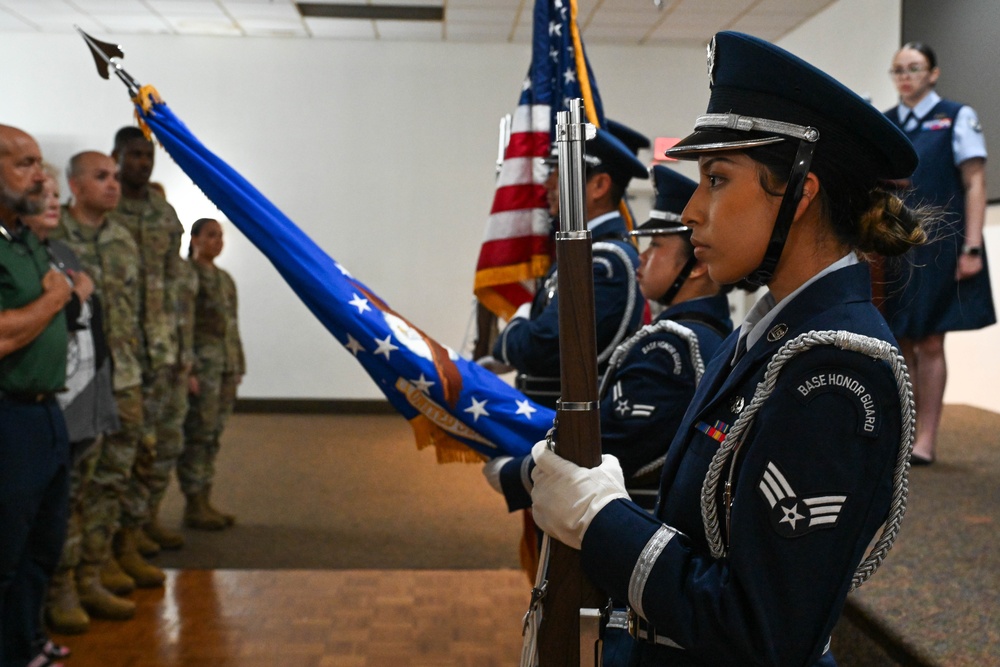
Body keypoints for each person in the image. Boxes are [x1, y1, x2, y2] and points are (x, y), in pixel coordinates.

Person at [528, 31, 927, 665]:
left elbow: (760, 628)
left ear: (801, 193)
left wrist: (602, 519)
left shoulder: (837, 370)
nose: (689, 211)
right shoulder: (771, 337)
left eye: (715, 178)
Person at [484, 165, 733, 511]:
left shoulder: (670, 346)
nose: (641, 256)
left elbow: (618, 443)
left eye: (656, 245)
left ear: (696, 265)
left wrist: (520, 474)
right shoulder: (703, 330)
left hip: (634, 514)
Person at [881, 42, 994, 465]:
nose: (905, 76)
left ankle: (926, 438)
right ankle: (903, 433)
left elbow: (975, 183)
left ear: (933, 73)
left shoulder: (955, 116)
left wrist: (972, 246)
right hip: (893, 247)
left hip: (941, 246)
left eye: (913, 68)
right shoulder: (887, 122)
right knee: (899, 341)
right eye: (897, 70)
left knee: (929, 340)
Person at [23, 165, 119, 639]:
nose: (53, 202)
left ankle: (80, 581)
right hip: (40, 400)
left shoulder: (61, 251)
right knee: (43, 510)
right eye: (42, 193)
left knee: (78, 497)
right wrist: (75, 296)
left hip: (84, 392)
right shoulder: (23, 256)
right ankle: (51, 597)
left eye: (57, 194)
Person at [489, 129, 648, 408]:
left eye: (559, 173)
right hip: (546, 412)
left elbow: (541, 348)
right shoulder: (586, 252)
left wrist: (516, 325)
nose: (548, 185)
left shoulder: (605, 261)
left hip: (566, 422)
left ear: (599, 186)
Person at [53, 151, 141, 621]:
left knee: (113, 479)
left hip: (124, 376)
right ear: (74, 184)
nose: (113, 184)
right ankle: (61, 587)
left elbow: (140, 308)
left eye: (115, 176)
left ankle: (93, 572)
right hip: (74, 382)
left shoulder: (124, 238)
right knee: (73, 487)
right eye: (100, 177)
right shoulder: (53, 238)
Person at [0, 124, 73, 667]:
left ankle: (23, 646)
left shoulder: (22, 237)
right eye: (24, 163)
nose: (40, 175)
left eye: (40, 162)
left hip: (46, 414)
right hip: (8, 419)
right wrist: (53, 299)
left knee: (39, 549)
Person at [107, 126, 185, 587]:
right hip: (116, 353)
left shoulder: (164, 213)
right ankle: (112, 545)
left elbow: (176, 283)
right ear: (117, 155)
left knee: (152, 446)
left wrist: (178, 345)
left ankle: (135, 530)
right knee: (116, 452)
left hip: (158, 349)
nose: (143, 162)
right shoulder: (103, 209)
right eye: (134, 155)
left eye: (148, 155)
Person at [180, 218, 245, 530]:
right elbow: (185, 324)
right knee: (198, 434)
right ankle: (194, 502)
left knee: (213, 435)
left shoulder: (224, 279)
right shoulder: (188, 276)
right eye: (210, 235)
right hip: (201, 369)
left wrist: (237, 365)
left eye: (220, 236)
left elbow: (232, 326)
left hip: (224, 367)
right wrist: (188, 368)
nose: (217, 241)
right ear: (194, 239)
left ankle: (205, 498)